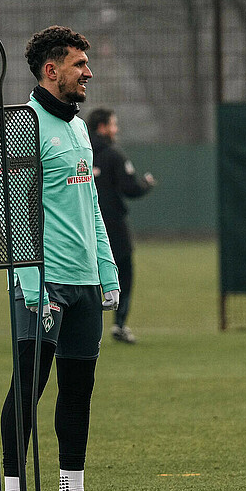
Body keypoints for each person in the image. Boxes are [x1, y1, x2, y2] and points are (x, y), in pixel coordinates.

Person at [0, 25, 131, 491]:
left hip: (84, 285)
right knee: (28, 387)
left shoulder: (77, 127)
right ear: (51, 71)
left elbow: (90, 206)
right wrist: (33, 285)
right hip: (43, 283)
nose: (88, 73)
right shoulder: (21, 127)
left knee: (79, 388)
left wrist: (107, 271)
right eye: (79, 64)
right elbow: (9, 207)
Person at [87, 108, 155, 344]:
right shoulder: (114, 154)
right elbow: (131, 188)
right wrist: (146, 184)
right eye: (113, 125)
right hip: (113, 225)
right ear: (103, 127)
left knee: (87, 275)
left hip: (83, 225)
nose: (116, 130)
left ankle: (84, 324)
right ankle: (120, 323)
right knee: (124, 270)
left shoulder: (80, 151)